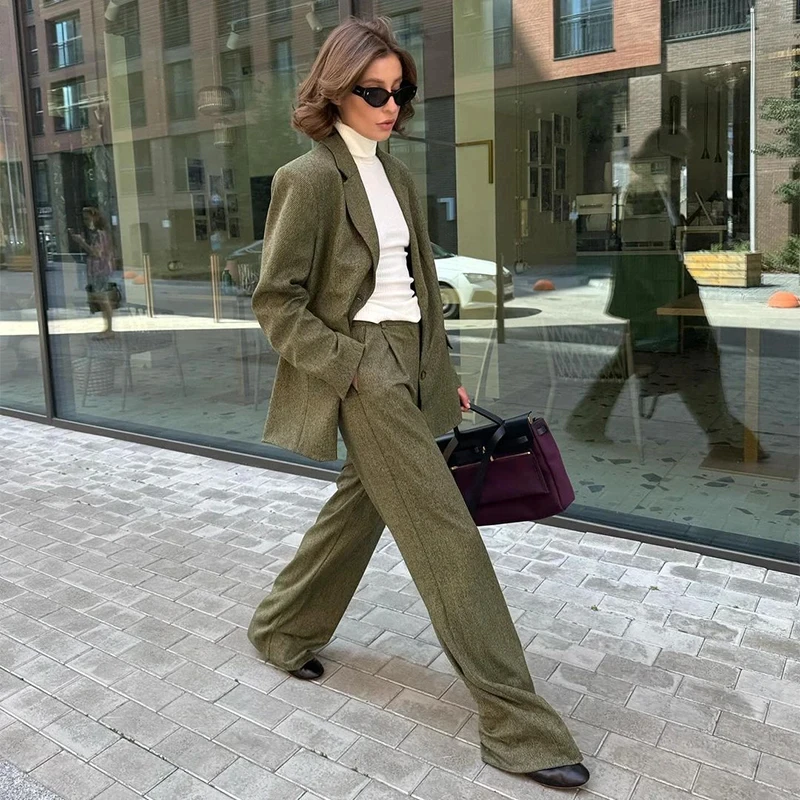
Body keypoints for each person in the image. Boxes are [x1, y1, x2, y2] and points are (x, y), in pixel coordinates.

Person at [247, 18, 589, 790]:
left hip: (412, 361)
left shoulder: (396, 177)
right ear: (335, 91)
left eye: (400, 92)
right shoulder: (307, 179)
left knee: (359, 508)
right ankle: (519, 729)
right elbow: (277, 301)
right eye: (375, 92)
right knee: (444, 535)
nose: (391, 104)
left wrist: (442, 369)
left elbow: (417, 291)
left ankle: (279, 630)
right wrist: (352, 368)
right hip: (363, 369)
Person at [566, 126, 765, 460]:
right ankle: (724, 436)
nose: (678, 169)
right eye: (675, 161)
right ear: (657, 161)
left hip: (658, 298)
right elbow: (645, 256)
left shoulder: (652, 193)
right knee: (697, 363)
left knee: (649, 362)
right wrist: (673, 301)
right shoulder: (645, 195)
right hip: (661, 301)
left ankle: (586, 420)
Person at [70, 206, 119, 339]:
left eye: (87, 218)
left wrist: (81, 242)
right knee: (102, 299)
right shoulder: (98, 233)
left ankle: (109, 329)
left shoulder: (99, 234)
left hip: (100, 270)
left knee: (103, 299)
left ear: (95, 218)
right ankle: (107, 328)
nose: (86, 222)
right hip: (99, 270)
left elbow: (96, 253)